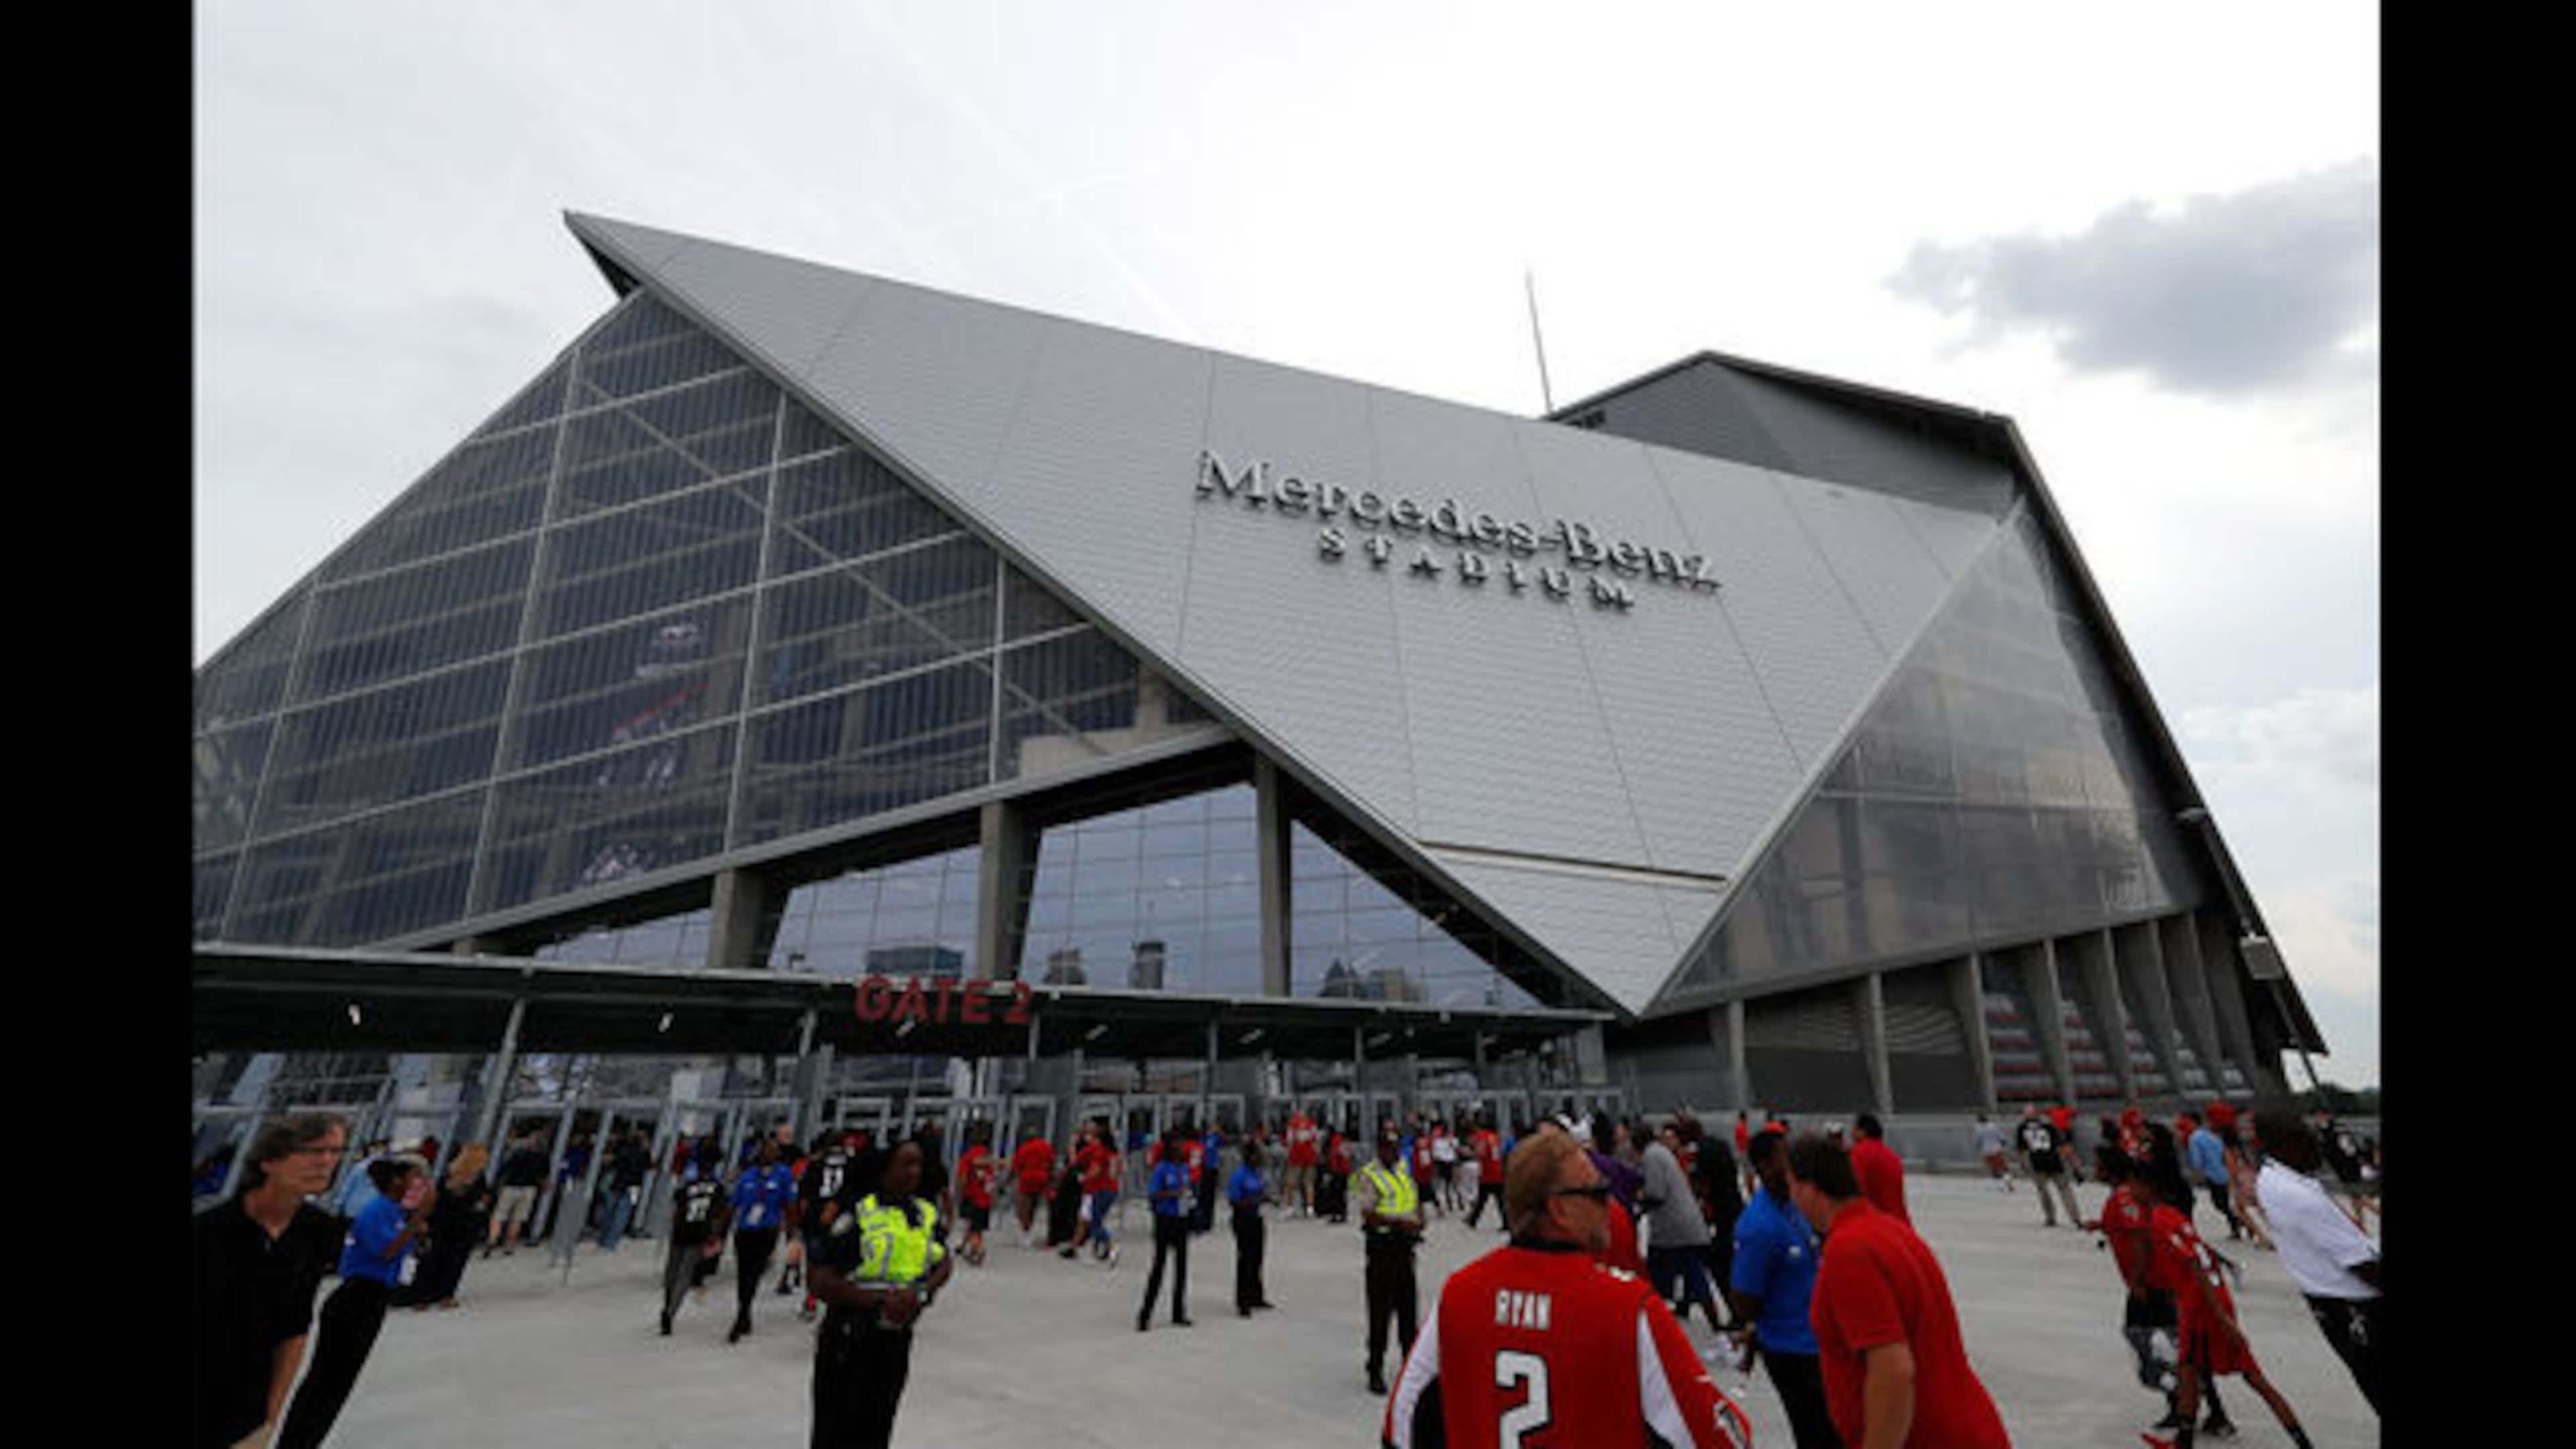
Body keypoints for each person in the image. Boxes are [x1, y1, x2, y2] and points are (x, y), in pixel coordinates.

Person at [1382, 1124, 1753, 1448]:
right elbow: (1717, 1438)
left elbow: (1401, 1422)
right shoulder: (1627, 1309)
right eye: (1596, 1192)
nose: (1609, 1203)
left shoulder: (1461, 1294)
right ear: (1558, 1209)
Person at [1787, 1131, 2011, 1448]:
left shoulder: (1849, 1250)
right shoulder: (1891, 1230)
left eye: (1791, 1187)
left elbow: (1892, 1370)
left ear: (1809, 1189)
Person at [191, 1114, 350, 1449]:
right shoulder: (209, 1231)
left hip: (245, 1407)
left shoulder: (317, 1231)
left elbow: (294, 1327)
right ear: (268, 1162)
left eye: (335, 1151)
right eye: (312, 1151)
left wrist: (271, 1418)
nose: (326, 1162)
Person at [2139, 1152, 2314, 1449]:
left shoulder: (2160, 1221)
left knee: (2249, 1378)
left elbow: (2194, 1264)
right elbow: (2201, 1256)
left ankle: (2303, 1442)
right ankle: (2184, 1440)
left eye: (2134, 1185)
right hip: (2211, 1300)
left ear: (2146, 1186)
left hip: (2201, 1308)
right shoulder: (2175, 1216)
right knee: (2190, 1371)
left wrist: (2223, 1320)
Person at [274, 1155, 430, 1449]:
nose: (418, 1185)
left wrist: (415, 1227)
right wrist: (417, 1221)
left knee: (340, 1382)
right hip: (357, 1297)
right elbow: (384, 1252)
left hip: (375, 1298)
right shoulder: (375, 1211)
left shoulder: (395, 1211)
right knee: (325, 1381)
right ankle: (295, 1442)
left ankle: (307, 1440)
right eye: (413, 1178)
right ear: (396, 1181)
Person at [807, 1138, 954, 1449]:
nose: (915, 1171)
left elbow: (944, 1261)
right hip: (849, 1339)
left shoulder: (924, 1215)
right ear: (885, 1170)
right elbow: (819, 1279)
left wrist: (922, 1293)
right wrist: (880, 1302)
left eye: (919, 1164)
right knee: (835, 1430)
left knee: (878, 1426)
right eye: (907, 1164)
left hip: (895, 1340)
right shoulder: (858, 1214)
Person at [2085, 1146, 2235, 1440]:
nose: (2095, 1170)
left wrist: (2139, 1281)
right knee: (2175, 1344)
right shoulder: (2126, 1196)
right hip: (2155, 1284)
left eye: (2098, 1164)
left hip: (2152, 1285)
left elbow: (2141, 1237)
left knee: (2158, 1343)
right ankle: (2203, 1409)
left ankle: (2185, 1407)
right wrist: (2102, 1225)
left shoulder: (2125, 1197)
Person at [2250, 1110, 2382, 1417]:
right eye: (2311, 1143)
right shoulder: (2298, 1196)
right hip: (2358, 1308)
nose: (2319, 1150)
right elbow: (2365, 1268)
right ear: (2286, 1146)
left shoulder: (2271, 1178)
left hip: (2329, 1304)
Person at [1725, 1126, 1838, 1449]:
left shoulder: (1794, 1208)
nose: (1792, 1165)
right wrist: (1758, 1327)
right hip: (1792, 1351)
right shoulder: (1759, 1226)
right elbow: (1744, 1297)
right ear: (1762, 1166)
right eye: (1783, 1159)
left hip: (1817, 1341)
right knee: (1816, 1433)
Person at [1354, 1128, 1427, 1395]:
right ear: (1379, 1149)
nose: (1394, 1153)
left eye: (1396, 1148)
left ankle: (1412, 1365)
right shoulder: (1369, 1176)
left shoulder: (1403, 1172)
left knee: (1408, 1311)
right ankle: (1375, 1368)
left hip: (1405, 1248)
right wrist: (1399, 1223)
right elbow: (1368, 1213)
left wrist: (1419, 1220)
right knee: (1380, 1313)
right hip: (1382, 1248)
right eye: (1388, 1148)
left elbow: (1413, 1199)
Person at [1639, 1117, 1726, 1336]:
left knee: (1659, 1274)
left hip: (1674, 1229)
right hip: (1688, 1225)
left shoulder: (1651, 1156)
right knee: (1694, 1273)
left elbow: (1657, 1193)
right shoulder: (1662, 1153)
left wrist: (1639, 1204)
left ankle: (1652, 1323)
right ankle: (1712, 1322)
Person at [725, 1137, 798, 1344]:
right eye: (766, 1150)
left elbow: (790, 1204)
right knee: (743, 1272)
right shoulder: (748, 1175)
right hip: (745, 1230)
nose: (769, 1154)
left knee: (755, 1271)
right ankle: (744, 1311)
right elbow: (733, 1205)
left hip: (767, 1230)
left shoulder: (784, 1175)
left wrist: (790, 1232)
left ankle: (742, 1315)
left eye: (774, 1151)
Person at [405, 1142, 493, 1311]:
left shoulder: (449, 1174)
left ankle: (424, 1296)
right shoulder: (475, 1178)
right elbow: (480, 1200)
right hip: (461, 1225)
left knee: (435, 1259)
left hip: (443, 1224)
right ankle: (444, 1295)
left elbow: (438, 1200)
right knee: (453, 1262)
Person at [659, 1144, 730, 1337]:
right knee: (685, 1274)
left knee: (671, 1272)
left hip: (681, 1232)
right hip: (700, 1233)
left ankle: (667, 1304)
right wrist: (715, 1237)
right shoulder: (718, 1189)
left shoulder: (686, 1186)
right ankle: (671, 1312)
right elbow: (719, 1214)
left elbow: (677, 1209)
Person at [1136, 1129, 1195, 1331]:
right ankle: (1145, 1315)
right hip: (1164, 1219)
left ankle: (1179, 1312)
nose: (1182, 1147)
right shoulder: (1162, 1168)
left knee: (1182, 1268)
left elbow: (1188, 1189)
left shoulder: (1185, 1168)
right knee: (1159, 1267)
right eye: (1178, 1143)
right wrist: (1172, 1194)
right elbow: (1153, 1194)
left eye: (1183, 1143)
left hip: (1181, 1218)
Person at [1228, 1131, 1277, 1315]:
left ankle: (1256, 1295)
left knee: (1258, 1257)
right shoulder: (1239, 1175)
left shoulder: (1257, 1174)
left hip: (1257, 1217)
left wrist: (1267, 1199)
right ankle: (1243, 1301)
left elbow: (1261, 1192)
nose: (1260, 1158)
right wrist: (1255, 1200)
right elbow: (1235, 1201)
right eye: (1257, 1155)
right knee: (1246, 1259)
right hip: (1243, 1219)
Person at [2015, 1104, 2082, 1228]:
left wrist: (2023, 1165)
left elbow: (2021, 1150)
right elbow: (2064, 1146)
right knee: (2065, 1190)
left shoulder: (2022, 1129)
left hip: (2037, 1163)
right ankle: (2075, 1217)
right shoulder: (2049, 1126)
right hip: (2054, 1161)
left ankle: (2050, 1217)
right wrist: (2075, 1164)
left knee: (2043, 1192)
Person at [484, 1130, 549, 1257]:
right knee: (517, 1219)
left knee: (499, 1215)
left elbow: (505, 1169)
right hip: (529, 1189)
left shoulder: (518, 1154)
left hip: (511, 1187)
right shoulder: (543, 1157)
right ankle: (509, 1246)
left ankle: (492, 1239)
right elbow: (544, 1176)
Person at [1073, 1119, 1122, 1266]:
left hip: (1100, 1189)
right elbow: (1120, 1170)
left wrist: (1083, 1178)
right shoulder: (1114, 1154)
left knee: (1095, 1223)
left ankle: (1111, 1246)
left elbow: (1096, 1170)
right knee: (1098, 1219)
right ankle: (1100, 1251)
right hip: (1112, 1189)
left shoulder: (1100, 1153)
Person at [1849, 1112, 1911, 1224]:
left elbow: (1856, 1191)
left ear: (1861, 1132)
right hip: (1899, 1223)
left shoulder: (1860, 1153)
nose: (1851, 1133)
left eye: (1854, 1129)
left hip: (1876, 1223)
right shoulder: (1893, 1156)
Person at [953, 1124, 996, 1266]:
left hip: (972, 1196)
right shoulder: (989, 1159)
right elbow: (992, 1179)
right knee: (976, 1226)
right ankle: (965, 1246)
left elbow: (963, 1178)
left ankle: (978, 1250)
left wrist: (958, 1192)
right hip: (985, 1198)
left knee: (974, 1228)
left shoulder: (967, 1158)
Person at [1008, 1128, 1055, 1248]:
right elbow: (1051, 1164)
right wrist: (1051, 1180)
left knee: (1024, 1207)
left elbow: (1016, 1166)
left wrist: (1009, 1180)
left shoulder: (1024, 1149)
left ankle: (1025, 1233)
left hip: (1027, 1180)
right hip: (1042, 1180)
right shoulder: (1046, 1147)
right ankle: (1029, 1231)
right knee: (1034, 1207)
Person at [1462, 1114, 1505, 1230]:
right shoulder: (1494, 1137)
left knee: (1482, 1199)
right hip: (1497, 1170)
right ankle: (1506, 1222)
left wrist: (1468, 1153)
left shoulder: (1482, 1137)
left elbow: (1481, 1153)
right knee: (1499, 1200)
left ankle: (1473, 1220)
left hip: (1488, 1172)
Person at [1285, 1107, 1320, 1217]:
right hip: (1309, 1158)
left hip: (1295, 1159)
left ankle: (1290, 1208)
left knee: (1291, 1184)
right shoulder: (1312, 1125)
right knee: (1309, 1184)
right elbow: (1316, 1142)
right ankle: (1310, 1208)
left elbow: (1289, 1141)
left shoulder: (1292, 1125)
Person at [1320, 1126, 1353, 1224]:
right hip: (1340, 1169)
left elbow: (1339, 1154)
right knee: (1339, 1193)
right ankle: (1339, 1213)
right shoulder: (1340, 1140)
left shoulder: (1336, 1140)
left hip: (1339, 1169)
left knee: (1337, 1193)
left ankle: (1338, 1213)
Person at [1974, 1114, 2012, 1191]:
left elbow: (1978, 1141)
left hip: (1987, 1152)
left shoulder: (1979, 1129)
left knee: (1994, 1170)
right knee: (2004, 1168)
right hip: (1996, 1150)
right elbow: (2002, 1138)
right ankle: (2008, 1184)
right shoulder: (1994, 1127)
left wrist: (1979, 1148)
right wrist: (2004, 1144)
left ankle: (2000, 1186)